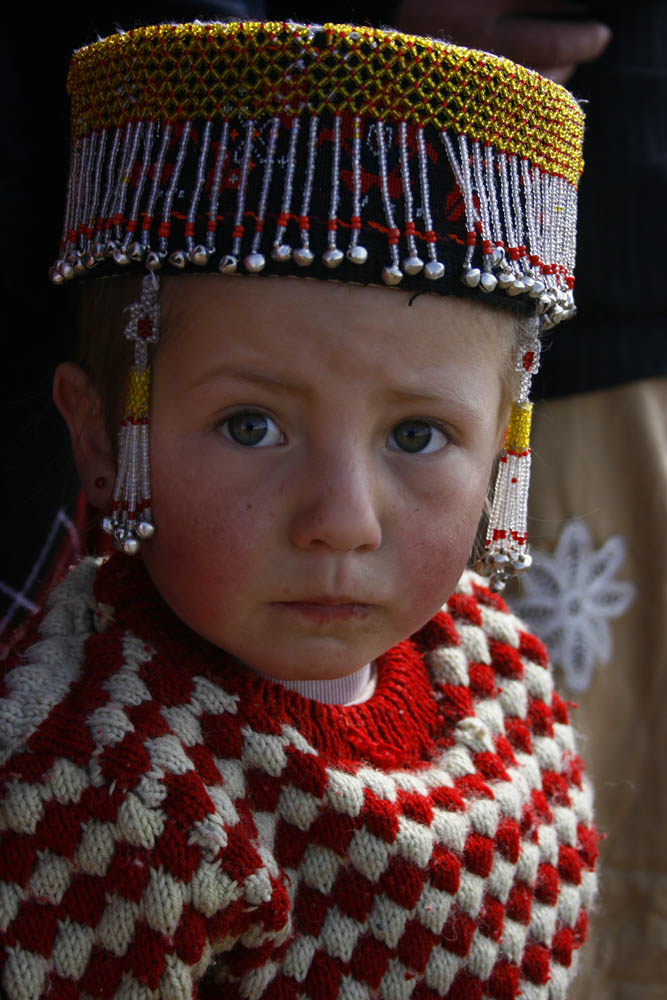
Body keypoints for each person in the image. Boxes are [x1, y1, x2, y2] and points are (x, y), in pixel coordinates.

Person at [0, 21, 597, 999]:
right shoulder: (104, 802)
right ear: (103, 438)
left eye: (415, 435)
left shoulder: (498, 673)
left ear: (505, 442)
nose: (342, 519)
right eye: (250, 426)